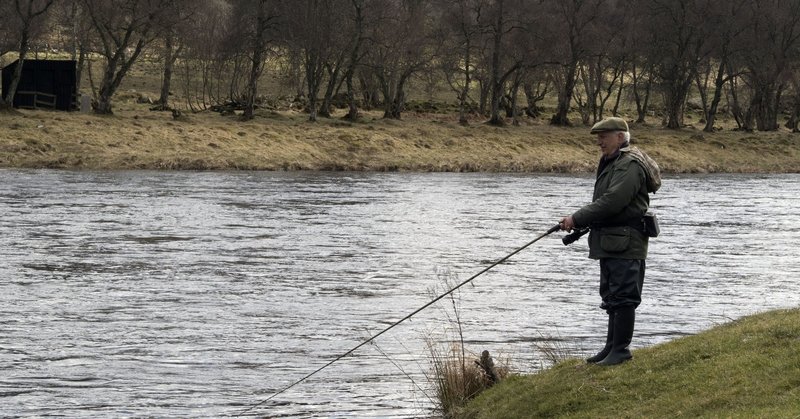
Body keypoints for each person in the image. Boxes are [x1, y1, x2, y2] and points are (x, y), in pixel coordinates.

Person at [560, 116, 654, 366]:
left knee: (624, 296)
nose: (599, 142)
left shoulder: (629, 165)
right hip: (612, 240)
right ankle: (611, 347)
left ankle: (621, 350)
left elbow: (613, 201)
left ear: (620, 137)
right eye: (598, 138)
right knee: (612, 294)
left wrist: (576, 218)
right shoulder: (614, 162)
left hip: (626, 241)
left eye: (604, 137)